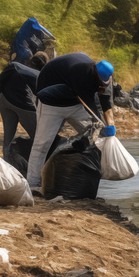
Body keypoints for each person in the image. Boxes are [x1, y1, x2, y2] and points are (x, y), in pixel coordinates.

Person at [24, 53, 116, 190]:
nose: (102, 86)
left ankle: (85, 176)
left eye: (104, 84)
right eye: (100, 84)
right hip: (50, 103)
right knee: (42, 144)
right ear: (95, 73)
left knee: (94, 134)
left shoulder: (103, 76)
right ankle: (33, 184)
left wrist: (110, 124)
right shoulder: (80, 73)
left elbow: (105, 101)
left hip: (74, 103)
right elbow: (90, 105)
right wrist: (101, 123)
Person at [0, 52, 47, 161]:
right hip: (20, 102)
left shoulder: (20, 68)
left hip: (3, 98)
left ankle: (7, 167)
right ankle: (38, 169)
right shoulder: (40, 76)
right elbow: (42, 103)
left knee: (8, 138)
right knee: (39, 139)